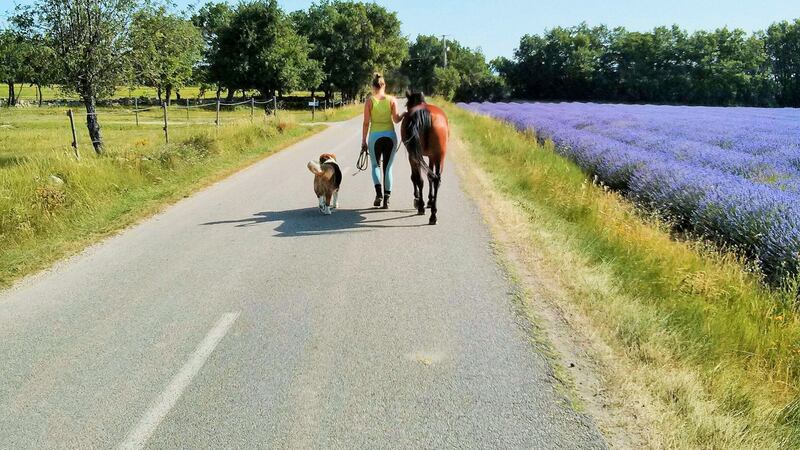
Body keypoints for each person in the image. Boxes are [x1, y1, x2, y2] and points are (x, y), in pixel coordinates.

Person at [361, 73, 404, 209]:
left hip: (375, 137)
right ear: (384, 85)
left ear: (373, 86)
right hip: (390, 137)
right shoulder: (392, 100)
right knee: (388, 168)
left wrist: (364, 140)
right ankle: (387, 199)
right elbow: (396, 120)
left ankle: (378, 194)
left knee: (375, 166)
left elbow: (366, 123)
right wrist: (404, 114)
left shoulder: (369, 101)